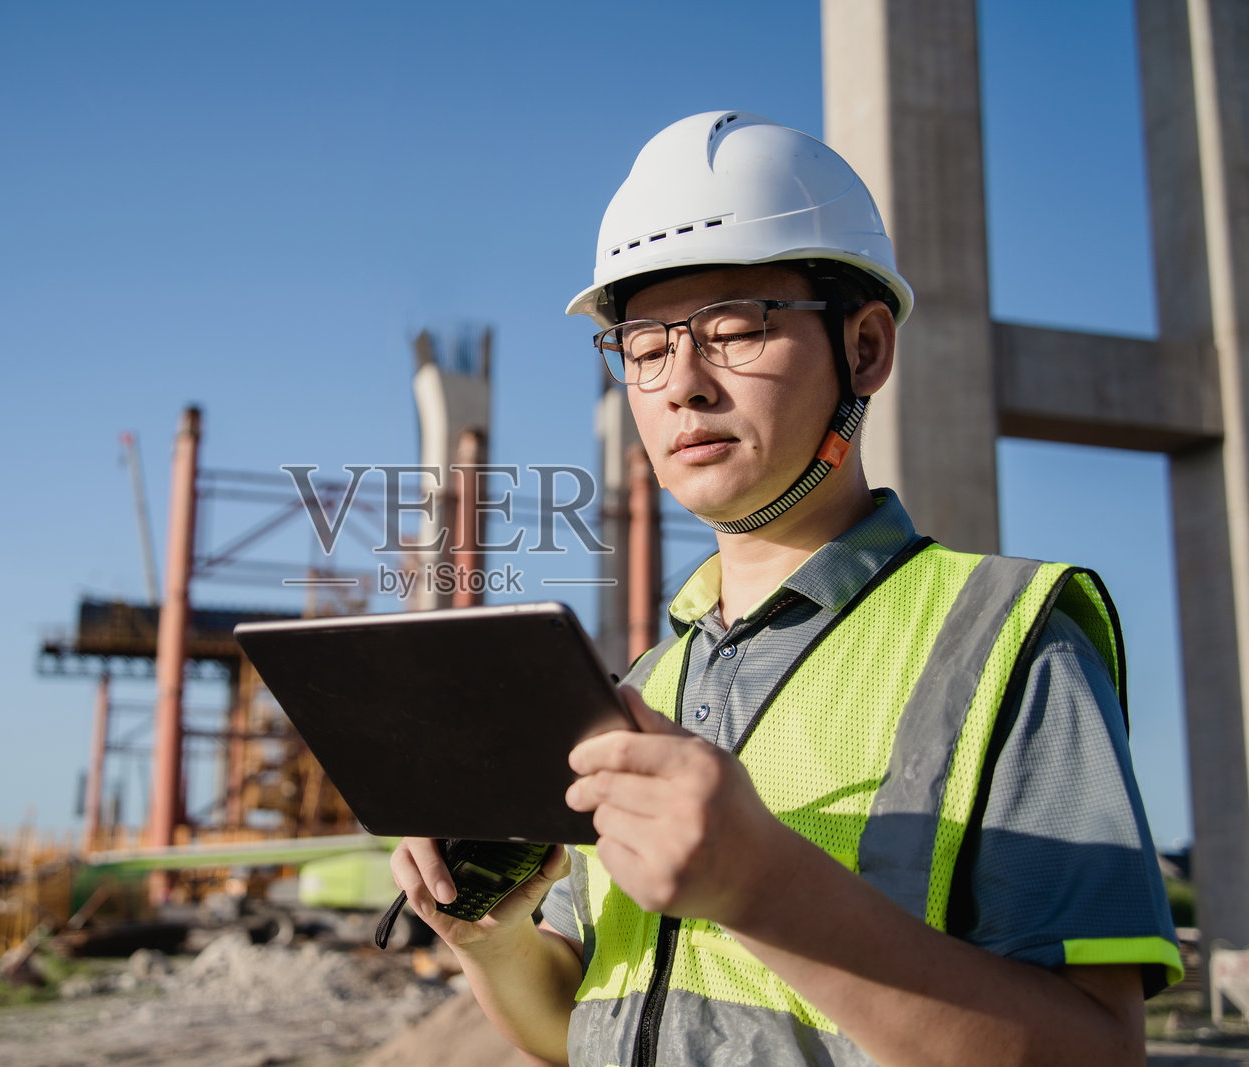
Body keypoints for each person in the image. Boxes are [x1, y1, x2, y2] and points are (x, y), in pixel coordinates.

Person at [390, 111, 1181, 1067]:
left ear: (868, 348)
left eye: (734, 331)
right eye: (644, 350)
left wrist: (764, 890)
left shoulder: (1007, 642)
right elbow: (584, 1029)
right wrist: (495, 937)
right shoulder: (647, 683)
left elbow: (1096, 1054)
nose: (683, 383)